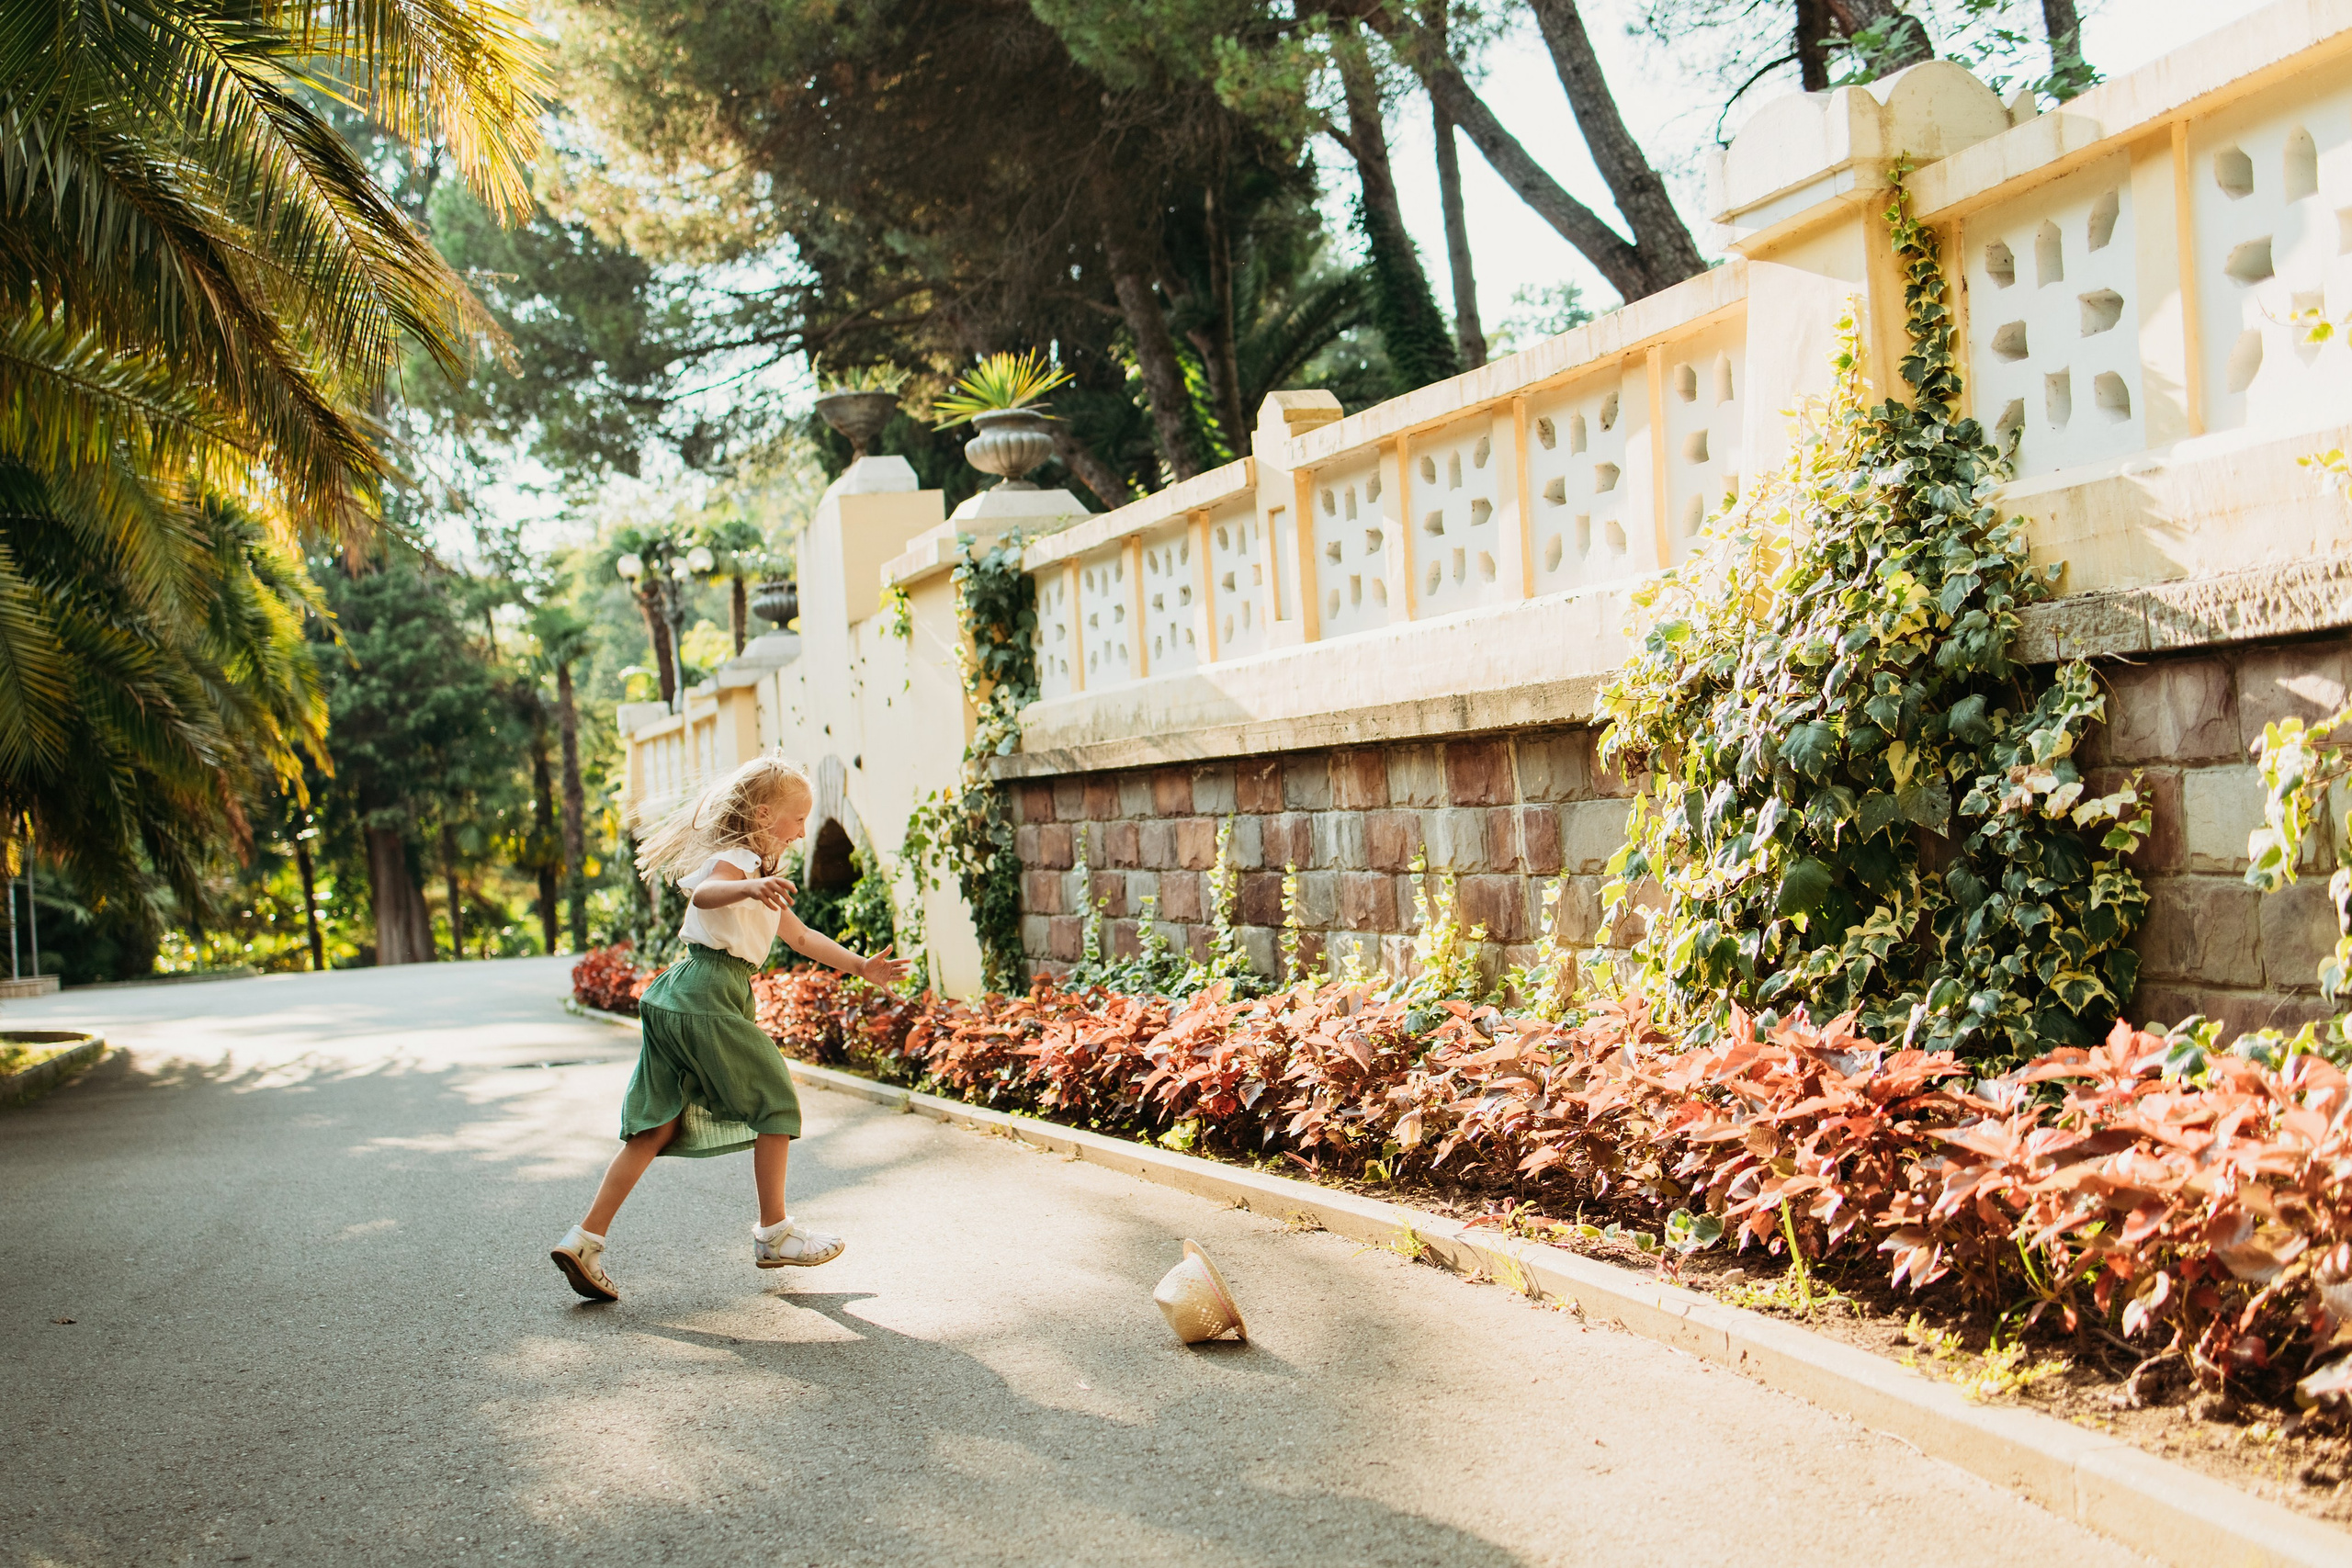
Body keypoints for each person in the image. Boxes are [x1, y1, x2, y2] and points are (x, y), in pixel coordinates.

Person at [551, 755, 910, 1301]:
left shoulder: (761, 874)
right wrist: (747, 887)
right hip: (706, 993)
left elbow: (802, 937)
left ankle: (584, 1240)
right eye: (798, 817)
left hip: (682, 994)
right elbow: (705, 894)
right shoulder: (740, 862)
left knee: (656, 1127)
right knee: (775, 1100)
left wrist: (862, 966)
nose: (803, 829)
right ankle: (774, 1233)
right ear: (765, 815)